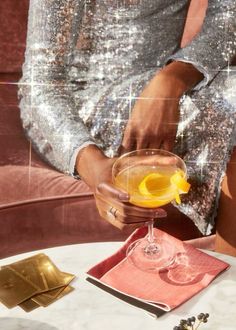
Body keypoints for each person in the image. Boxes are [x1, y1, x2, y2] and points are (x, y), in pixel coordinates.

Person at [18, 0, 236, 255]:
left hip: (157, 85)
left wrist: (171, 80)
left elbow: (228, 20)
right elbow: (41, 83)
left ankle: (227, 286)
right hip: (72, 103)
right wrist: (93, 167)